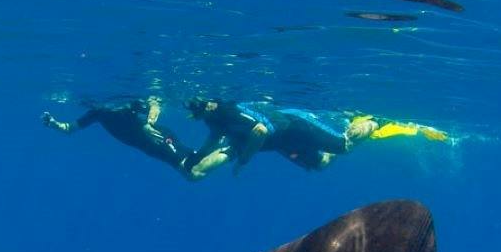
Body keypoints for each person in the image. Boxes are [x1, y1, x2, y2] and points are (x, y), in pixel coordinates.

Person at [187, 97, 449, 173]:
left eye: (198, 109)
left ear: (210, 104)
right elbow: (213, 138)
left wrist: (244, 160)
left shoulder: (229, 110)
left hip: (295, 125)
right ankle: (347, 126)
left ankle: (373, 121)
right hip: (282, 141)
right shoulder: (214, 120)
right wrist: (199, 156)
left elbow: (260, 130)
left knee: (345, 145)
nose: (196, 113)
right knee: (321, 164)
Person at [41, 97, 209, 179]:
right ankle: (218, 149)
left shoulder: (127, 105)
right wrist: (53, 123)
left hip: (158, 137)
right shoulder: (96, 113)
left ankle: (222, 151)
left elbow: (154, 105)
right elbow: (69, 129)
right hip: (148, 146)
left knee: (191, 172)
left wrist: (149, 124)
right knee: (191, 163)